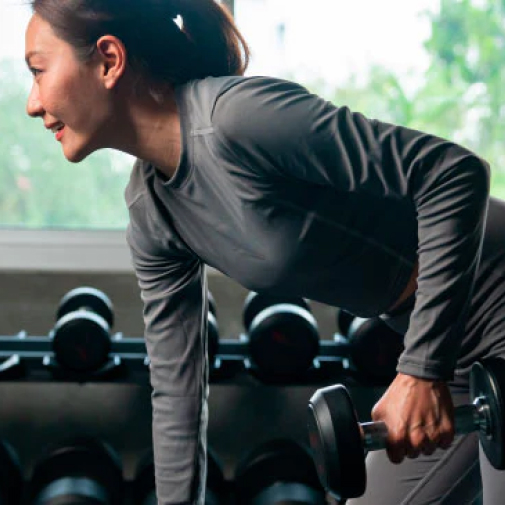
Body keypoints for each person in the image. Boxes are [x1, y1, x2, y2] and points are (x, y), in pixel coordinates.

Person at [23, 1, 505, 503]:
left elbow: (454, 174)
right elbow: (179, 394)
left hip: (486, 299)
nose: (32, 103)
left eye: (38, 71)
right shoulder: (152, 214)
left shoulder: (237, 119)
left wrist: (420, 369)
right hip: (444, 342)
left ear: (108, 60)